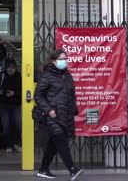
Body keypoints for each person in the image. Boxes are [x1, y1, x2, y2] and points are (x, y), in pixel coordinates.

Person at [34, 49, 84, 180]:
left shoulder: (67, 75)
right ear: (53, 61)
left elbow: (70, 95)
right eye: (61, 59)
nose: (64, 61)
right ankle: (72, 169)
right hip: (53, 116)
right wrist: (49, 110)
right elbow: (38, 95)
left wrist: (73, 109)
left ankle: (43, 169)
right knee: (61, 141)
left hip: (66, 115)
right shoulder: (47, 75)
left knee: (53, 143)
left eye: (65, 59)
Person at [0, 62, 21, 153]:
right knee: (6, 126)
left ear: (15, 68)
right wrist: (1, 93)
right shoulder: (1, 76)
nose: (10, 69)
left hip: (16, 104)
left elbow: (24, 90)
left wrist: (14, 93)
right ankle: (9, 145)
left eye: (12, 68)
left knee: (18, 124)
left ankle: (17, 143)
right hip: (4, 105)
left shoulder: (19, 77)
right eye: (9, 67)